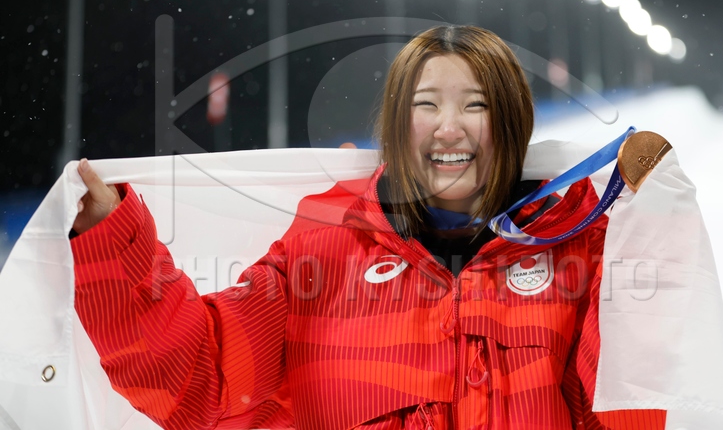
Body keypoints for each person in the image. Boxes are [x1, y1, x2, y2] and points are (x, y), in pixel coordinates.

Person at [71, 25, 667, 429]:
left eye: (476, 104)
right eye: (426, 104)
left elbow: (627, 412)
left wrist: (647, 230)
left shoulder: (577, 249)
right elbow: (200, 381)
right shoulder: (321, 250)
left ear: (512, 124)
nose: (449, 127)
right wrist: (111, 240)